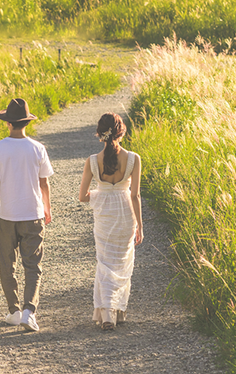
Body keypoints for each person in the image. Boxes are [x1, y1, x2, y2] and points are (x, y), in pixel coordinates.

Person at [0, 98, 53, 332]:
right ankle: (28, 313)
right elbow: (44, 183)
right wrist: (47, 208)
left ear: (8, 123)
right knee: (33, 265)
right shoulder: (37, 148)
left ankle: (13, 311)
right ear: (26, 123)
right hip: (33, 213)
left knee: (6, 264)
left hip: (7, 215)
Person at [79, 112, 143, 331]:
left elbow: (83, 196)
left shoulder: (92, 161)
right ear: (121, 132)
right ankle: (119, 311)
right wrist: (140, 225)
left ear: (100, 134)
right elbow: (135, 196)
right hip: (126, 214)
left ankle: (108, 314)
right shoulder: (134, 159)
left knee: (105, 262)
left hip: (104, 215)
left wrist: (100, 195)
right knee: (123, 261)